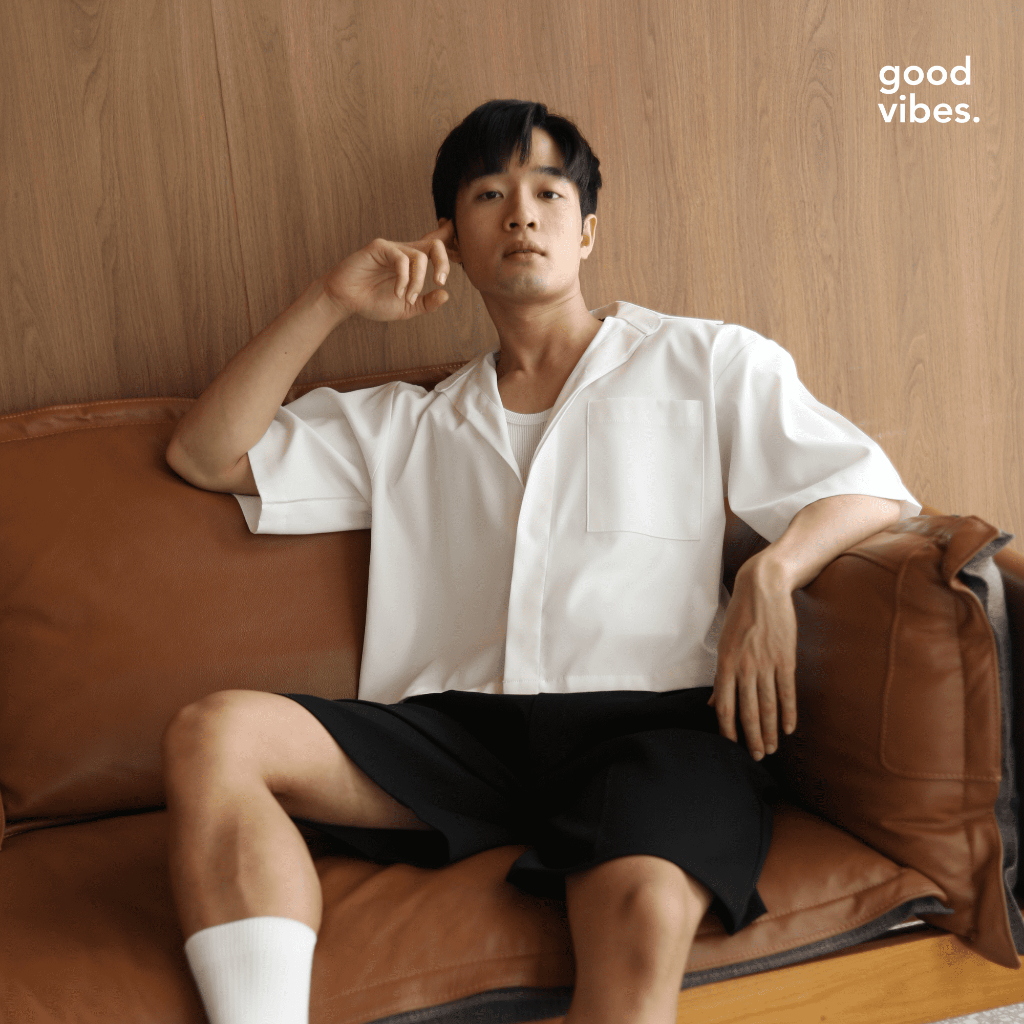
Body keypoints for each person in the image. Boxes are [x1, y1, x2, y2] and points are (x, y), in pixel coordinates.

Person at [162, 99, 920, 1024]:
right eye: (489, 193)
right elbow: (205, 455)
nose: (521, 213)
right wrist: (332, 299)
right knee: (215, 734)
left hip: (651, 731)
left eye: (549, 192)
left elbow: (867, 487)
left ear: (586, 231)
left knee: (644, 915)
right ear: (450, 239)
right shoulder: (405, 421)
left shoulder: (705, 360)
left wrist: (773, 570)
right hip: (456, 738)